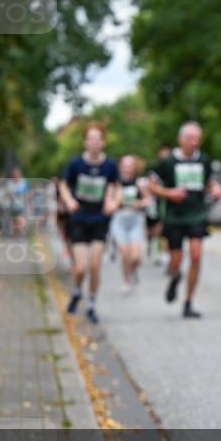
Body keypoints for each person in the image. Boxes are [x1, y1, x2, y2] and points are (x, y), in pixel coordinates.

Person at [148, 122, 221, 318]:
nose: (194, 142)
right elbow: (151, 186)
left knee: (196, 256)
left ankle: (188, 302)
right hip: (174, 216)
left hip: (196, 214)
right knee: (175, 260)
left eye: (197, 138)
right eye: (190, 138)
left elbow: (209, 183)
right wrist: (168, 193)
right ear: (181, 139)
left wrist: (214, 189)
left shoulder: (204, 160)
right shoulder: (168, 161)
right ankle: (175, 276)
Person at [59, 123, 118, 324]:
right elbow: (64, 184)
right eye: (90, 138)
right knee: (81, 268)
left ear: (103, 142)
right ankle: (77, 291)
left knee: (95, 266)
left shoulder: (109, 165)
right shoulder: (76, 163)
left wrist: (112, 201)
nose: (94, 142)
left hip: (100, 219)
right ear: (85, 142)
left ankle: (92, 303)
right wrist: (68, 200)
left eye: (98, 138)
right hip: (79, 219)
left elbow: (115, 187)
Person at [109, 155, 152, 293]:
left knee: (136, 257)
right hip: (119, 219)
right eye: (125, 165)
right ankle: (126, 280)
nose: (127, 168)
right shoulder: (114, 183)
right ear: (120, 166)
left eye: (130, 165)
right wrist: (117, 200)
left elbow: (148, 200)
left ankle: (133, 271)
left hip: (135, 219)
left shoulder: (139, 183)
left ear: (135, 167)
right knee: (125, 254)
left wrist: (138, 203)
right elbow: (109, 204)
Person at [145, 144, 171, 267]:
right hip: (155, 202)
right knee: (153, 229)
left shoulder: (174, 167)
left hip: (168, 202)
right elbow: (150, 186)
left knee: (164, 227)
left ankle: (164, 253)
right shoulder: (155, 170)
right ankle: (153, 244)